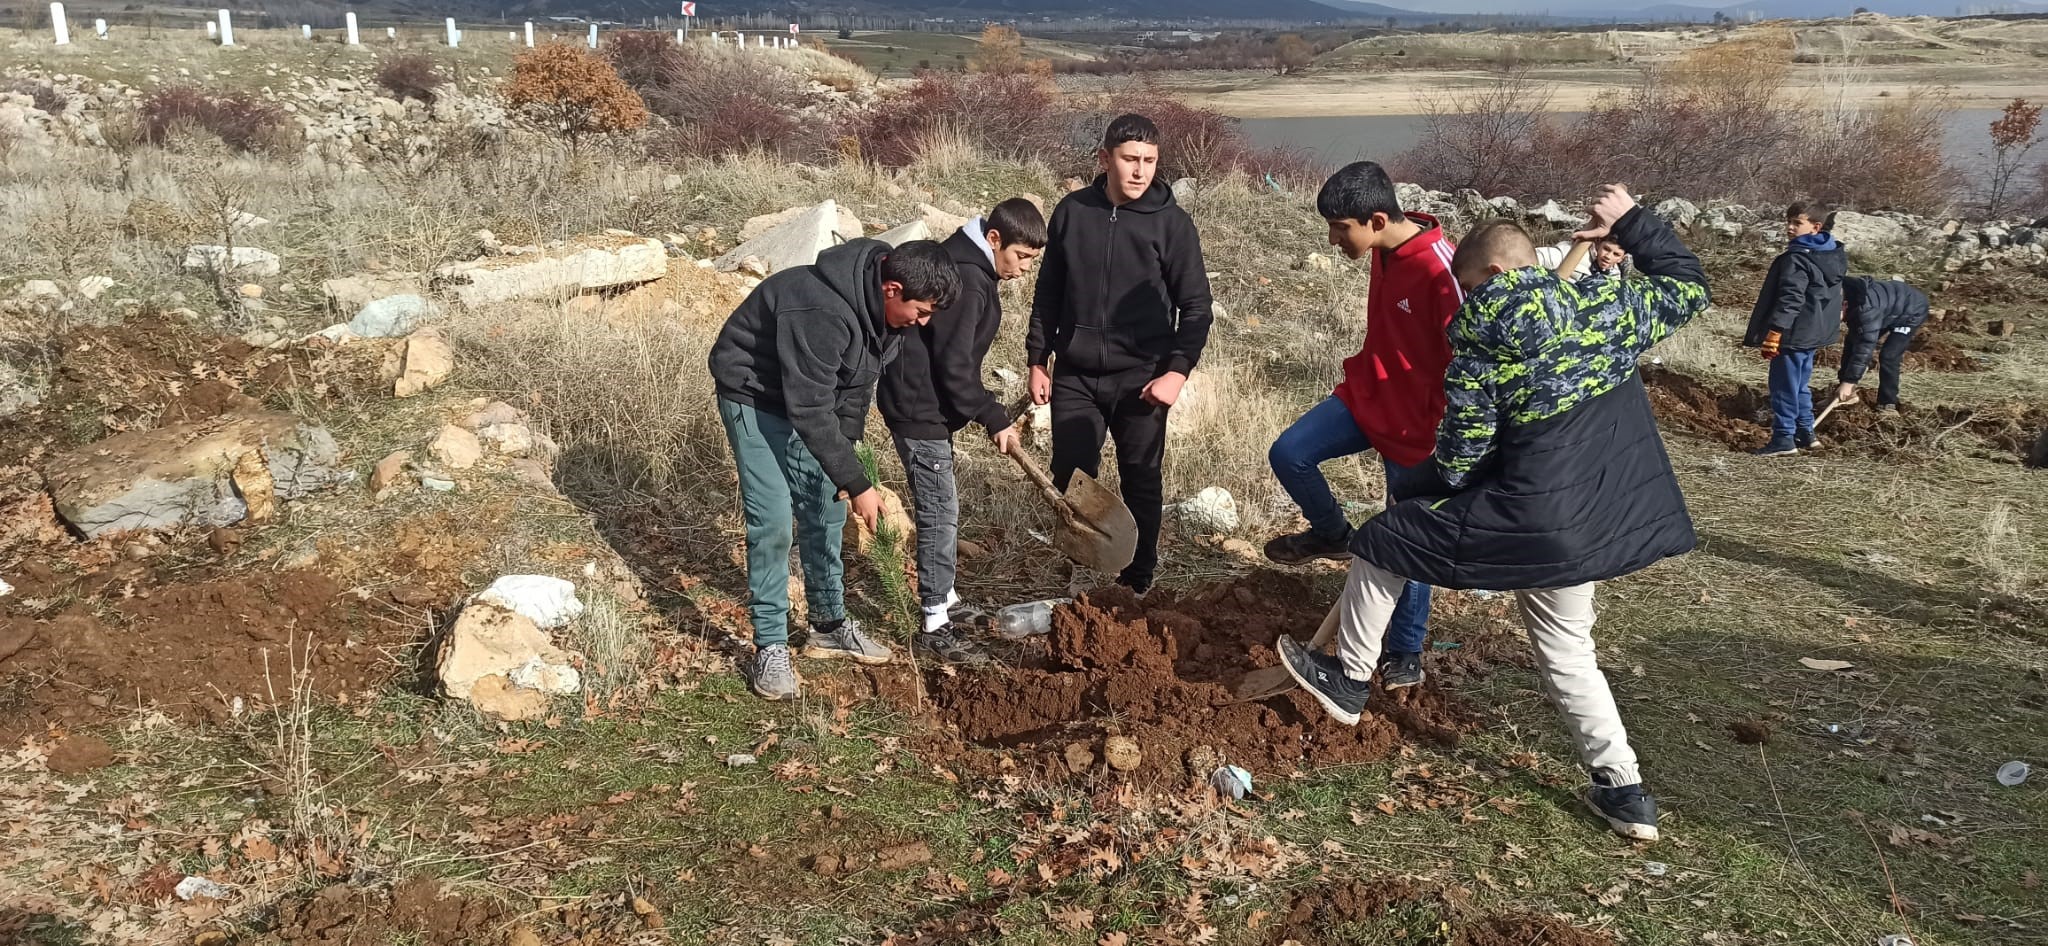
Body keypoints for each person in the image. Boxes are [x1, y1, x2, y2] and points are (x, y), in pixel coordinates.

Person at [1276, 185, 1712, 843]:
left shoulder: (1482, 333)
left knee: (1386, 536)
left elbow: (1464, 449)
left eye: (1472, 283)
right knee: (1568, 650)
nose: (1470, 297)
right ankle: (1624, 790)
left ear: (1498, 275)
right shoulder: (1610, 305)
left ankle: (1346, 677)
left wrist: (1429, 484)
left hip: (1532, 515)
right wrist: (1637, 225)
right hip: (1599, 522)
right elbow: (1689, 286)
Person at [708, 238, 961, 701]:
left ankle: (828, 624)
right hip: (754, 395)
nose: (923, 323)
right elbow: (809, 410)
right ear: (892, 288)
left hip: (806, 403)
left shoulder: (883, 317)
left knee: (825, 509)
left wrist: (846, 469)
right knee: (773, 520)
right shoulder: (820, 310)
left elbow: (851, 394)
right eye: (921, 311)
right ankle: (770, 644)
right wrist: (859, 483)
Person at [1262, 160, 1461, 690]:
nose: (1333, 240)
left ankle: (1403, 651)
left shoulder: (1444, 271)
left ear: (1375, 219)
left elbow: (1474, 361)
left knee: (1407, 535)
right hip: (1368, 394)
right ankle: (1332, 535)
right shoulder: (1382, 248)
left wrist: (1452, 437)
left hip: (1420, 425)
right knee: (1290, 453)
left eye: (1339, 229)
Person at [1026, 113, 1214, 594]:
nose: (1140, 171)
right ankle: (1083, 564)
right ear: (1104, 159)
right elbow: (1048, 293)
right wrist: (1036, 359)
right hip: (1076, 372)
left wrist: (1176, 372)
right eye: (1130, 159)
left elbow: (1196, 309)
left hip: (1143, 379)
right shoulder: (1071, 212)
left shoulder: (1172, 225)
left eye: (1150, 161)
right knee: (1071, 473)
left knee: (1141, 479)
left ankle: (1138, 577)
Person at [877, 198, 1048, 664]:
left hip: (926, 404)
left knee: (943, 508)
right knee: (939, 512)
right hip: (920, 407)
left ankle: (947, 600)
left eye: (1033, 261)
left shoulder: (970, 265)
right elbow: (954, 368)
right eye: (1021, 257)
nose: (1024, 269)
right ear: (994, 239)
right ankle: (933, 622)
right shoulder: (969, 279)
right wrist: (993, 416)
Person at [1743, 201, 1847, 457]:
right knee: (1799, 385)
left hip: (1793, 332)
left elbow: (1791, 297)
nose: (1789, 227)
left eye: (1797, 223)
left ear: (1815, 227)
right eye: (1788, 221)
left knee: (1784, 387)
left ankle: (1783, 439)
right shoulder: (1831, 255)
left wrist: (1776, 331)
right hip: (1813, 332)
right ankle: (1806, 434)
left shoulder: (1797, 258)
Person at [1833, 275, 1930, 415]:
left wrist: (1850, 380)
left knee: (1889, 355)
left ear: (1845, 305)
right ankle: (1846, 395)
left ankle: (1888, 403)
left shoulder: (1867, 311)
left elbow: (1865, 347)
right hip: (1887, 310)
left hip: (1910, 311)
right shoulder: (1848, 298)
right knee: (1851, 343)